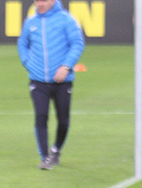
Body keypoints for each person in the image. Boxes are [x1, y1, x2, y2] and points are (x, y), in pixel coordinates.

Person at [17, 0, 85, 170]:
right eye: (37, 0)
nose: (39, 3)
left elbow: (77, 43)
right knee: (41, 116)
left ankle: (56, 149)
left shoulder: (66, 20)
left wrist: (66, 66)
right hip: (38, 80)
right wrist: (27, 62)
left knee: (63, 120)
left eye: (44, 0)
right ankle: (45, 157)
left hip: (63, 81)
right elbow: (22, 43)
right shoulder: (30, 22)